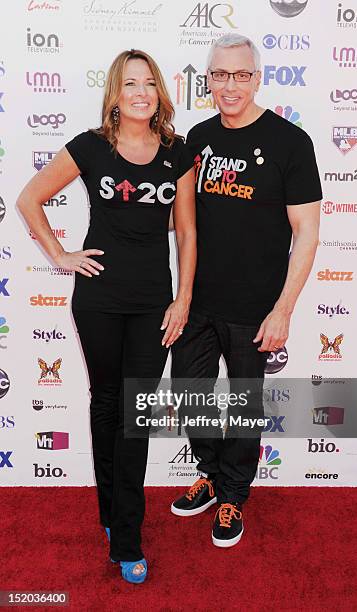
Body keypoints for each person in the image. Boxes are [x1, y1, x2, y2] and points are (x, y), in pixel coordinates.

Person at [17, 49, 196, 582]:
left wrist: (183, 298)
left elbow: (186, 232)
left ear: (160, 92)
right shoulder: (90, 147)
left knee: (135, 412)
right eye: (129, 84)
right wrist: (60, 254)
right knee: (107, 403)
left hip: (152, 304)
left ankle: (127, 535)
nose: (140, 92)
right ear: (115, 94)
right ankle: (110, 509)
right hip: (97, 299)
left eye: (149, 83)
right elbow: (30, 198)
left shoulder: (177, 153)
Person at [171, 34, 322, 547]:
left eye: (241, 75)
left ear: (258, 79)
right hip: (196, 301)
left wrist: (283, 309)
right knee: (191, 396)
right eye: (220, 75)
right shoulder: (197, 138)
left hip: (255, 308)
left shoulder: (291, 143)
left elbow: (307, 233)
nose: (230, 85)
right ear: (207, 80)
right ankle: (210, 474)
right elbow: (182, 221)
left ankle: (234, 494)